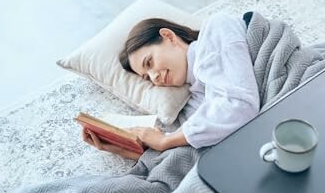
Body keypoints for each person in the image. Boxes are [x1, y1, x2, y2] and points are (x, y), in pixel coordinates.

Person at [83, 12, 261, 159]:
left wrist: (165, 141)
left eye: (150, 62)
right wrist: (123, 149)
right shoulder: (193, 103)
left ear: (168, 36)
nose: (154, 77)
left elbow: (242, 107)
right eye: (147, 77)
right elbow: (196, 154)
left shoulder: (216, 28)